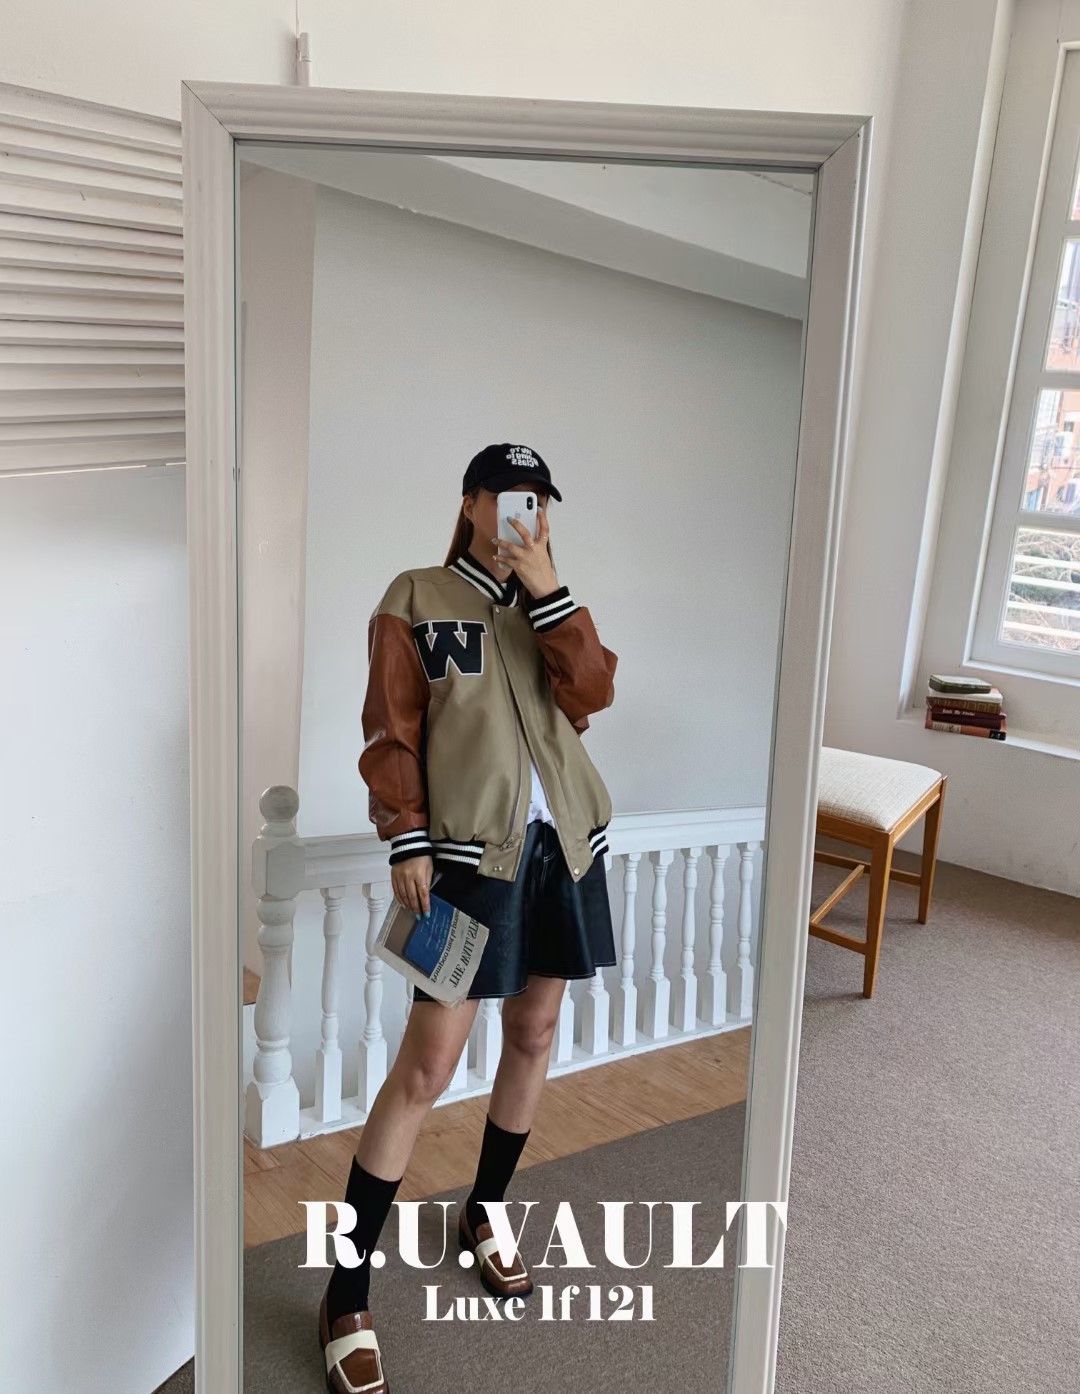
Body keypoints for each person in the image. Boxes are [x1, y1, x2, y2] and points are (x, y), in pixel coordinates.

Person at [319, 442, 619, 1394]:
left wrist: (551, 593)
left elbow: (594, 696)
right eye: (512, 496)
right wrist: (403, 836)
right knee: (426, 1067)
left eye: (542, 502)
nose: (529, 515)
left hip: (562, 852)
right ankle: (345, 1290)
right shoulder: (414, 597)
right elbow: (391, 726)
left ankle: (484, 1209)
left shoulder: (549, 607)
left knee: (534, 1033)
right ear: (472, 502)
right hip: (463, 863)